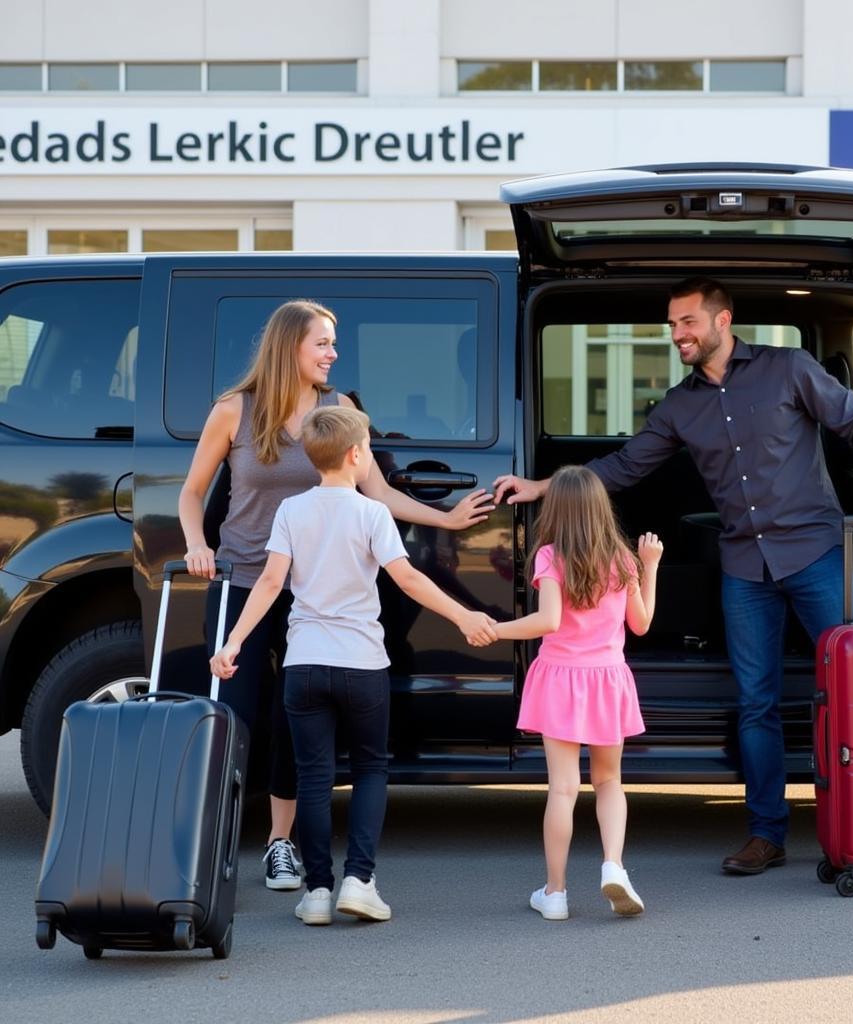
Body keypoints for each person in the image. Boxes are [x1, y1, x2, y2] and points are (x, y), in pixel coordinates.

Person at [493, 278, 853, 877]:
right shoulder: (679, 405)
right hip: (743, 564)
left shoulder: (788, 368)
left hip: (818, 553)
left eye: (687, 322)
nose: (677, 335)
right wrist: (542, 487)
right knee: (755, 703)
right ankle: (767, 834)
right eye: (671, 325)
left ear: (723, 321)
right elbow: (626, 464)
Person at [179, 299, 494, 891]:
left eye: (332, 343)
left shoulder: (339, 409)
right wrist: (198, 543)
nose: (333, 353)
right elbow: (193, 493)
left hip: (309, 592)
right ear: (289, 347)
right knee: (234, 715)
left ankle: (279, 842)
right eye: (322, 343)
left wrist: (444, 521)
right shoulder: (235, 411)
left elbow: (373, 490)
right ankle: (208, 850)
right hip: (244, 580)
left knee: (290, 719)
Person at [210, 405, 497, 925]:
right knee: (369, 768)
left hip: (304, 666)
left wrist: (232, 643)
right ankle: (359, 881)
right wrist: (463, 615)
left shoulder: (291, 512)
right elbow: (408, 580)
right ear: (357, 454)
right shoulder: (372, 514)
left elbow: (270, 585)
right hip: (362, 665)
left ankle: (317, 891)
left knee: (314, 777)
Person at [489, 465, 662, 920]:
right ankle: (614, 866)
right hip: (607, 680)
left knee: (563, 789)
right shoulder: (623, 560)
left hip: (562, 680)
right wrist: (650, 567)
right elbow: (641, 625)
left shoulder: (550, 557)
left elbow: (546, 622)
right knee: (609, 782)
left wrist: (495, 629)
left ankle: (556, 893)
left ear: (558, 512)